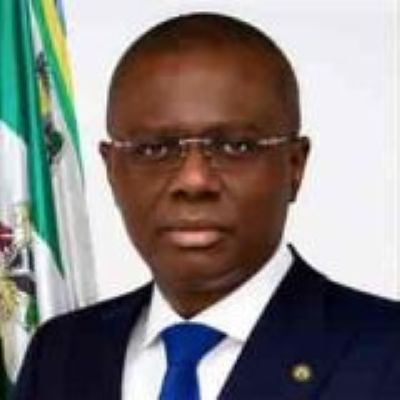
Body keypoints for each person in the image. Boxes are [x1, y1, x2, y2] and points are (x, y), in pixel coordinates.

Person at [14, 12, 399, 400]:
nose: (194, 181)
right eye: (155, 149)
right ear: (112, 170)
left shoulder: (386, 352)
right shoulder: (61, 355)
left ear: (294, 166)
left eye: (235, 146)